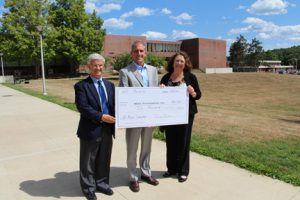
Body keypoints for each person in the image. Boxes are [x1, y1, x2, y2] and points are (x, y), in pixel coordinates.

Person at [119, 40, 159, 192]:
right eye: (136, 51)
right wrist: (124, 118)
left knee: (147, 147)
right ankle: (133, 177)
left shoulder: (153, 70)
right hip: (134, 118)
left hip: (150, 117)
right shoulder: (125, 71)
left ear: (145, 53)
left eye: (142, 51)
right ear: (132, 54)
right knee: (132, 148)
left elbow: (156, 93)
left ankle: (145, 173)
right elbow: (123, 96)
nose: (139, 53)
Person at [74, 53, 115, 200]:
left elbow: (114, 105)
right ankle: (88, 188)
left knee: (104, 158)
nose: (98, 68)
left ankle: (102, 183)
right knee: (88, 161)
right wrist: (101, 117)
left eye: (100, 65)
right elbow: (83, 107)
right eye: (94, 65)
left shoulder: (110, 85)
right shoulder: (81, 86)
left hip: (107, 129)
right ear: (88, 67)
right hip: (90, 129)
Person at [160, 51, 201, 183]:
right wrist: (160, 90)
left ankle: (183, 171)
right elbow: (159, 98)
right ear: (172, 62)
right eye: (177, 61)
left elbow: (198, 95)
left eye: (182, 61)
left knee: (183, 142)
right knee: (171, 142)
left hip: (186, 116)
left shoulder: (191, 77)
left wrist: (193, 92)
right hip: (169, 115)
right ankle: (171, 169)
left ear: (185, 63)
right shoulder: (166, 78)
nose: (179, 63)